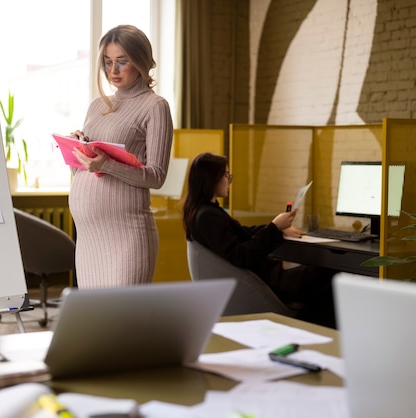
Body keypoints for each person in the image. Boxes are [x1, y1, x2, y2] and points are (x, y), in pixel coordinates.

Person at [69, 25, 173, 289]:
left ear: (141, 61)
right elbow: (85, 171)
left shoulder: (155, 106)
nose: (112, 70)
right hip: (88, 237)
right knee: (96, 322)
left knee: (124, 322)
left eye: (122, 61)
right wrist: (79, 150)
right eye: (107, 62)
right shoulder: (96, 105)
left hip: (127, 234)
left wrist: (108, 164)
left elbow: (157, 176)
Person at [182, 152, 337, 328]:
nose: (229, 180)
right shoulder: (207, 217)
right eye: (226, 175)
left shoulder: (204, 212)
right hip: (272, 283)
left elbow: (241, 233)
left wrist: (276, 227)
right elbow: (241, 255)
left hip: (268, 278)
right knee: (333, 274)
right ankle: (312, 328)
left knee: (322, 274)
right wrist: (274, 228)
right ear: (211, 178)